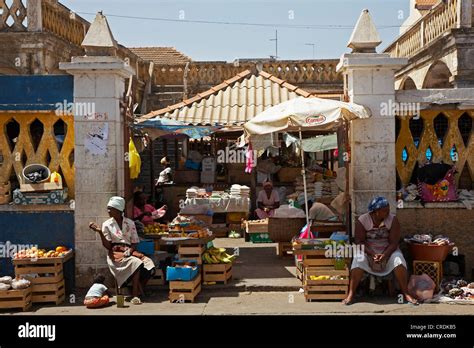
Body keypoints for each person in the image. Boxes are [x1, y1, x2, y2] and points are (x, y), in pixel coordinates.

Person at [342, 196, 418, 305]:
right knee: (358, 260)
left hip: (388, 250)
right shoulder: (363, 220)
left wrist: (384, 255)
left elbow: (394, 243)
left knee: (399, 260)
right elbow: (359, 242)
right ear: (375, 212)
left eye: (388, 209)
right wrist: (372, 254)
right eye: (384, 210)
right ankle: (351, 295)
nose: (388, 212)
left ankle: (406, 293)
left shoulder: (392, 220)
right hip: (368, 251)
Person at [88, 196, 155, 305]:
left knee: (149, 264)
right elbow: (108, 246)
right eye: (108, 208)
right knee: (136, 262)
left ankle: (138, 288)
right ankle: (135, 296)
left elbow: (134, 241)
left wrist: (131, 249)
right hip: (115, 254)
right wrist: (100, 232)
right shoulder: (107, 225)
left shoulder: (130, 223)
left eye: (111, 209)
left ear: (119, 210)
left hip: (129, 251)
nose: (108, 211)